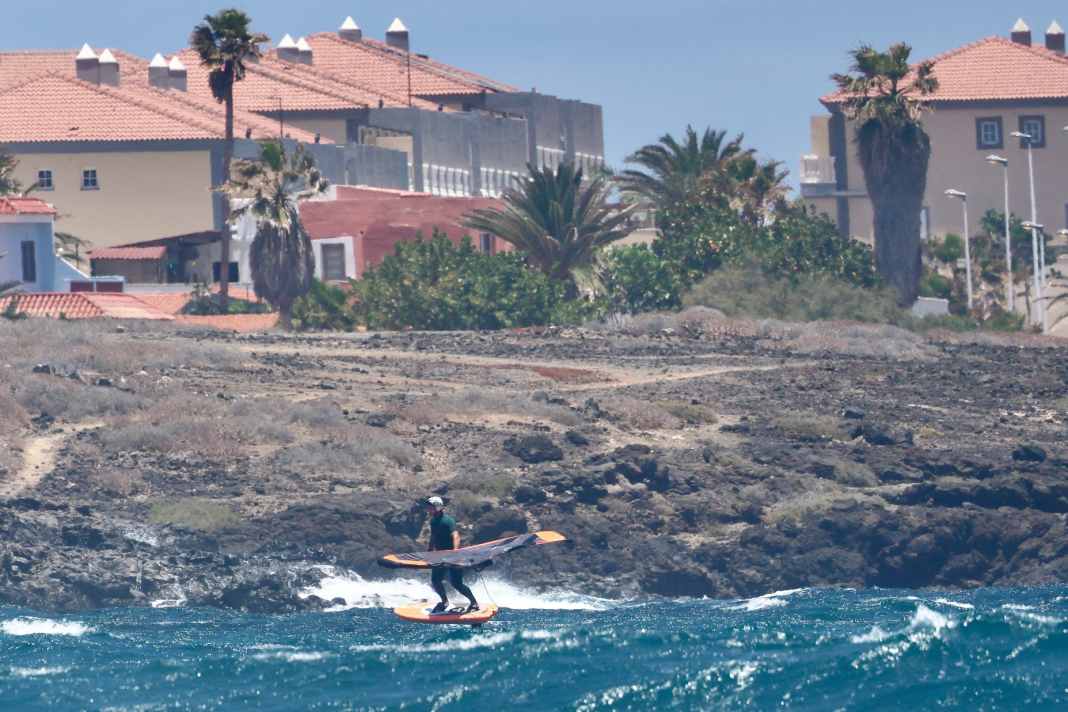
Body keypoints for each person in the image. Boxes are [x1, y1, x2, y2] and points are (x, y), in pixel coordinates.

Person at [425, 496, 479, 614]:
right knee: (435, 581)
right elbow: (433, 536)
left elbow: (455, 535)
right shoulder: (433, 521)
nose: (428, 509)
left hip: (452, 557)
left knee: (457, 583)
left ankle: (474, 602)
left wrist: (455, 551)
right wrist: (429, 550)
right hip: (439, 556)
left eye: (430, 507)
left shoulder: (448, 521)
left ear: (437, 507)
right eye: (428, 507)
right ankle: (444, 602)